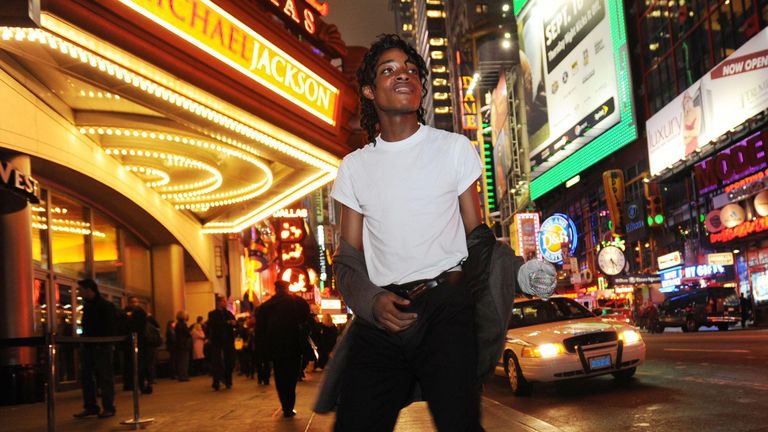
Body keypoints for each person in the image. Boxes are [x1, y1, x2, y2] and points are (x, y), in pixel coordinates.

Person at [328, 34, 484, 431]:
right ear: (368, 90)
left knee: (460, 424)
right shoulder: (354, 168)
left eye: (411, 70)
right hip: (382, 314)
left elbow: (478, 238)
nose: (404, 75)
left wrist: (512, 276)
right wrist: (372, 302)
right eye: (389, 69)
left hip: (446, 306)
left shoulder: (454, 149)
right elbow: (347, 259)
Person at [256, 280, 311, 418]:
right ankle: (289, 405)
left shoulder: (266, 306)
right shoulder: (297, 303)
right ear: (287, 288)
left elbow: (260, 331)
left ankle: (285, 405)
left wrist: (261, 351)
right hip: (294, 345)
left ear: (276, 289)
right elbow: (306, 319)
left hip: (275, 347)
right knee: (292, 376)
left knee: (280, 377)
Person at [73, 278, 119, 419]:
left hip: (101, 346)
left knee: (104, 377)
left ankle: (108, 407)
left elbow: (110, 327)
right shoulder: (89, 305)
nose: (79, 292)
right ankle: (91, 406)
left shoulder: (105, 306)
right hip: (89, 346)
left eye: (80, 289)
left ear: (88, 289)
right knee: (87, 377)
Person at [207, 295, 236, 390]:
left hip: (228, 340)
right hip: (217, 340)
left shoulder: (228, 313)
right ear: (219, 302)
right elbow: (213, 325)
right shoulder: (212, 314)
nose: (225, 303)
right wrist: (227, 323)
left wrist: (234, 323)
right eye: (223, 301)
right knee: (217, 361)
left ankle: (228, 381)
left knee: (229, 361)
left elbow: (234, 323)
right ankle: (216, 382)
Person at [174, 310, 191, 381]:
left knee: (180, 361)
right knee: (184, 361)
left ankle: (181, 375)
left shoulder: (177, 324)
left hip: (179, 344)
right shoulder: (183, 324)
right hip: (183, 344)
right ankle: (184, 375)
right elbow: (187, 334)